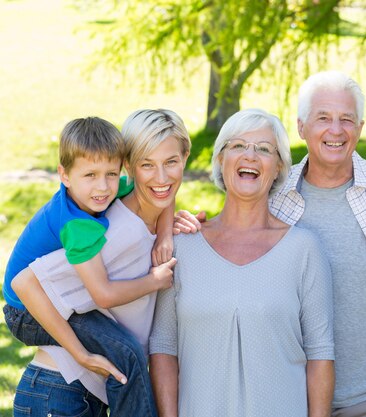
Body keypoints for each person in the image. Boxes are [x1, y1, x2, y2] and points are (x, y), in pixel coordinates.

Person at [149, 108, 335, 417]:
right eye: (238, 146)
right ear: (221, 160)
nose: (250, 155)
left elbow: (320, 354)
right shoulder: (181, 246)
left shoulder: (304, 250)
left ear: (278, 168)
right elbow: (163, 348)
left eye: (263, 149)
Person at [9, 109, 190, 416]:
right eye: (147, 164)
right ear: (64, 176)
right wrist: (80, 354)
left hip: (71, 392)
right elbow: (27, 284)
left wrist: (164, 234)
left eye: (110, 174)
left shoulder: (112, 191)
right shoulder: (86, 229)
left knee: (125, 353)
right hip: (24, 313)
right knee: (127, 353)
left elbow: (164, 189)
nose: (103, 186)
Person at [270, 71, 366, 417]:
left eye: (346, 119)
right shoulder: (272, 197)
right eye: (323, 118)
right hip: (289, 401)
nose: (336, 130)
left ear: (360, 128)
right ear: (301, 126)